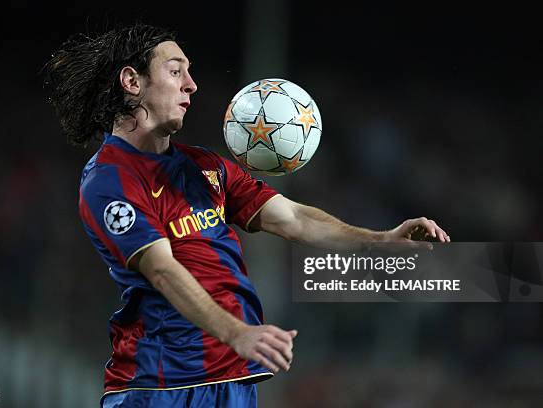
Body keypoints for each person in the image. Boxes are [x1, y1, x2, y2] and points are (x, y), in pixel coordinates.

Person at [44, 23, 450, 408]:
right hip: (159, 384)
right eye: (176, 71)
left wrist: (381, 240)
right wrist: (237, 333)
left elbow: (293, 218)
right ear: (133, 82)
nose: (191, 84)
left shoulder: (205, 167)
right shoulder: (109, 180)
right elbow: (162, 271)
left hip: (232, 380)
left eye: (190, 73)